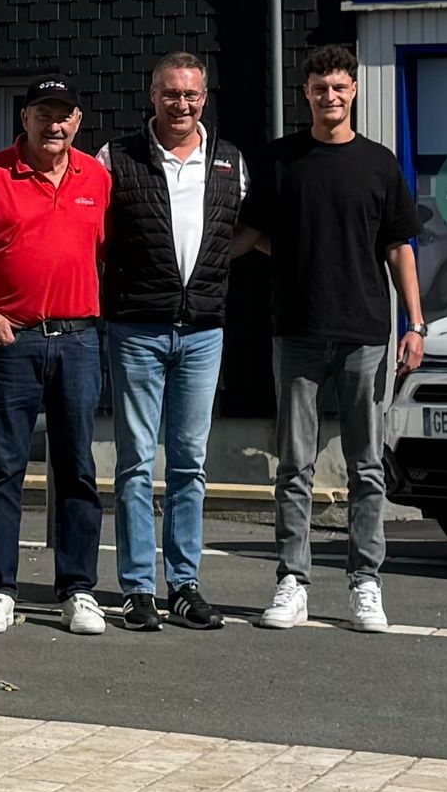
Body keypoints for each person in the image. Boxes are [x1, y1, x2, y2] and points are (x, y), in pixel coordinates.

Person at [239, 44, 425, 633]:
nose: (331, 97)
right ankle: (292, 580)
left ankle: (365, 581)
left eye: (340, 88)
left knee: (366, 466)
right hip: (296, 331)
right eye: (320, 88)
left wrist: (415, 324)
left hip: (366, 332)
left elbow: (400, 247)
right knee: (293, 465)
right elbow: (249, 233)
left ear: (354, 92)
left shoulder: (379, 163)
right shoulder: (281, 160)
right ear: (307, 94)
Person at [0, 76, 111, 635]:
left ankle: (78, 589)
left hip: (79, 341)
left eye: (64, 115)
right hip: (12, 343)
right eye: (42, 114)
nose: (53, 125)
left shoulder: (96, 178)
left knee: (78, 468)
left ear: (76, 122)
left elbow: (110, 254)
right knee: (3, 468)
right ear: (25, 118)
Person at [98, 53, 253, 632]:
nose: (180, 104)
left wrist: (206, 273)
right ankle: (138, 588)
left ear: (204, 96)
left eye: (190, 95)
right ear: (152, 94)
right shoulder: (116, 157)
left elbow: (243, 231)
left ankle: (184, 585)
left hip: (203, 330)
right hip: (136, 326)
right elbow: (95, 234)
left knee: (190, 463)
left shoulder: (231, 161)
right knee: (136, 462)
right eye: (170, 94)